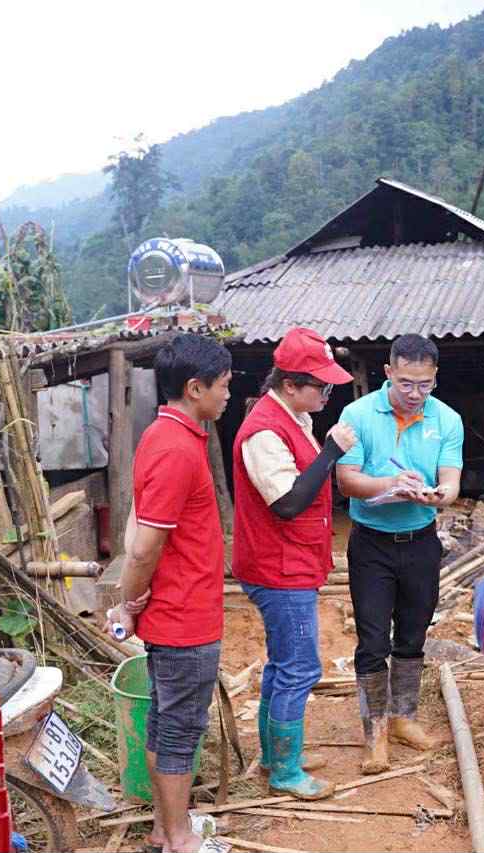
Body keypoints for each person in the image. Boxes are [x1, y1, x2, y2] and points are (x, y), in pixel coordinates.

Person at [232, 327, 357, 800]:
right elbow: (286, 503)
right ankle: (284, 771)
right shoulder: (264, 431)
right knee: (301, 667)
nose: (328, 392)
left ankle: (275, 754)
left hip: (292, 562)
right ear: (289, 384)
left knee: (283, 664)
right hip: (277, 567)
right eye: (320, 385)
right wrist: (331, 452)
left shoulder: (292, 417)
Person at [120, 333, 233, 853]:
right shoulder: (176, 450)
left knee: (165, 723)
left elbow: (137, 521)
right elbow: (144, 548)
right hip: (184, 617)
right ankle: (180, 840)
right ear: (194, 388)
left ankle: (166, 828)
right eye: (224, 386)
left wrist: (133, 598)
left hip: (176, 612)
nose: (228, 395)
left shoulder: (161, 438)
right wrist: (126, 599)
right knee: (180, 732)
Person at [336, 334, 464, 773]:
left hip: (422, 541)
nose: (414, 394)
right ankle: (374, 734)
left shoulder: (447, 419)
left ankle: (403, 717)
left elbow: (451, 480)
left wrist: (437, 494)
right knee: (373, 639)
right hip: (371, 543)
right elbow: (347, 480)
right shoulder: (358, 415)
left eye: (424, 385)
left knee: (413, 633)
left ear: (435, 379)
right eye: (406, 383)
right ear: (388, 372)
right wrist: (391, 486)